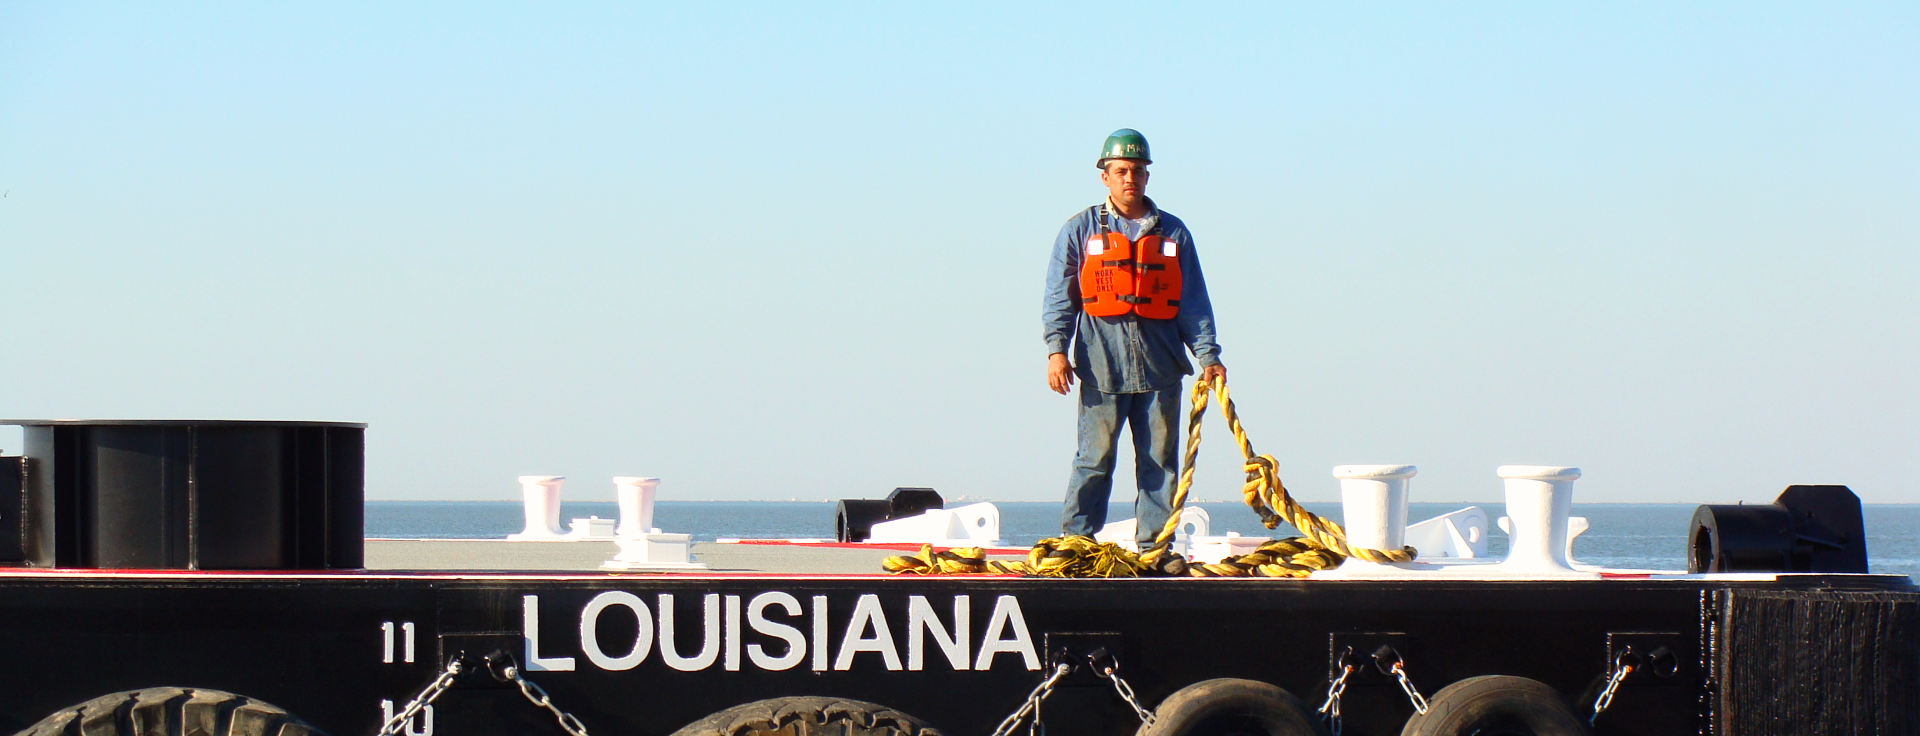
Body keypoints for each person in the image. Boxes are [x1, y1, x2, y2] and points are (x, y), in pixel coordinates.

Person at [1042, 129, 1225, 549]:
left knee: (1159, 464)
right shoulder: (1079, 230)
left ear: (1147, 177)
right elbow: (1059, 295)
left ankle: (1155, 550)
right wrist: (1056, 351)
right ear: (1105, 176)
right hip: (1099, 364)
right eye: (1122, 170)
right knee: (1094, 460)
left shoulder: (1174, 233)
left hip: (1160, 368)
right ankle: (1077, 545)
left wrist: (1208, 355)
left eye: (1138, 171)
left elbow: (1193, 300)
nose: (1131, 178)